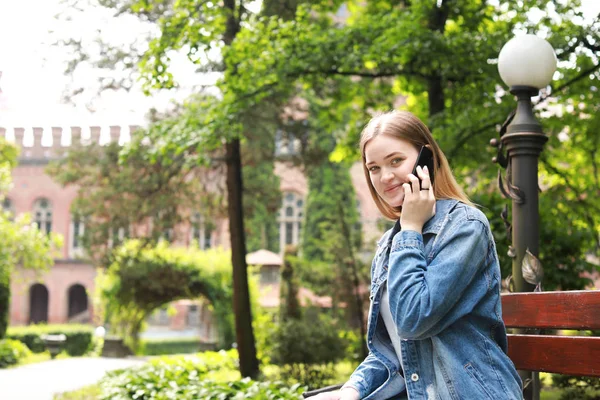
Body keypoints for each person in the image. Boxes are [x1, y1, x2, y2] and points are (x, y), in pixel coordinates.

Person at [309, 111, 522, 400]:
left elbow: (412, 321)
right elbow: (391, 351)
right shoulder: (389, 245)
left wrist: (410, 227)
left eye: (396, 161)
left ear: (427, 159)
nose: (385, 177)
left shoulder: (465, 227)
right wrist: (350, 390)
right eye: (373, 168)